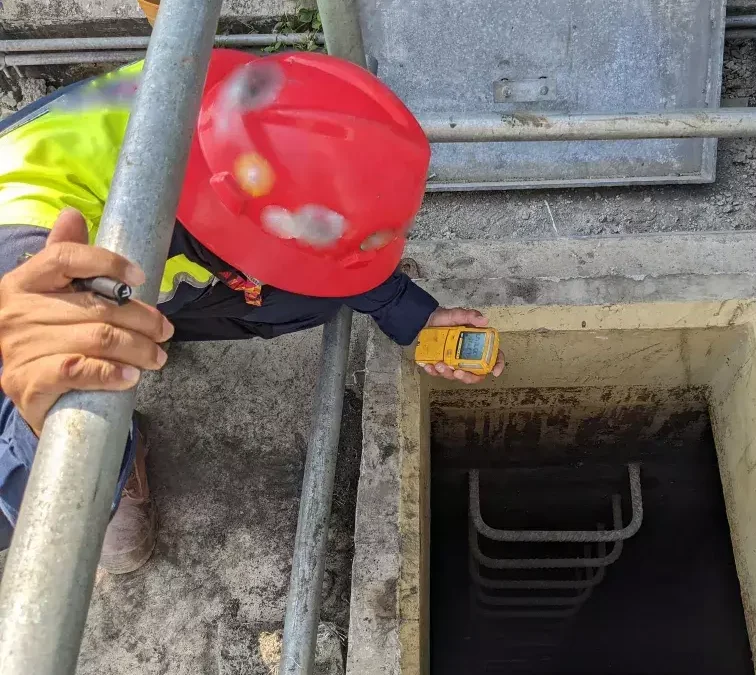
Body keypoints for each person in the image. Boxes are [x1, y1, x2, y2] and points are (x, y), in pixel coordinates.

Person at [0, 49, 504, 572]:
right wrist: (52, 436)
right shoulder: (32, 267)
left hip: (150, 266)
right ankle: (103, 444)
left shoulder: (252, 109)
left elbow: (320, 220)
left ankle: (142, 344)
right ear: (223, 217)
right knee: (70, 393)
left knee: (314, 296)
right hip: (42, 307)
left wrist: (412, 315)